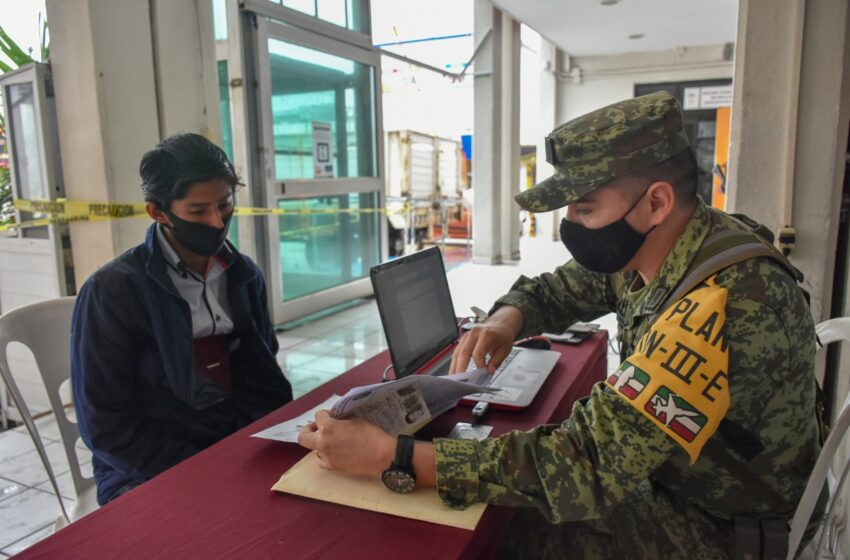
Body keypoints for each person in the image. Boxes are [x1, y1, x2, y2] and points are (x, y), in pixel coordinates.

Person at [298, 92, 824, 558]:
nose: (571, 226)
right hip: (684, 484)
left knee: (501, 531)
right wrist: (509, 318)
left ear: (656, 202)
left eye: (585, 208)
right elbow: (560, 288)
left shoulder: (723, 305)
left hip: (719, 525)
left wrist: (396, 457)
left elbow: (585, 464)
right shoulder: (673, 245)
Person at [72, 133, 293, 505]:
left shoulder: (243, 275)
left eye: (224, 205)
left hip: (232, 439)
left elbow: (262, 373)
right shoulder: (112, 293)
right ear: (158, 212)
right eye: (197, 211)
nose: (215, 221)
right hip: (146, 462)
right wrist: (199, 470)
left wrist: (268, 439)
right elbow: (107, 425)